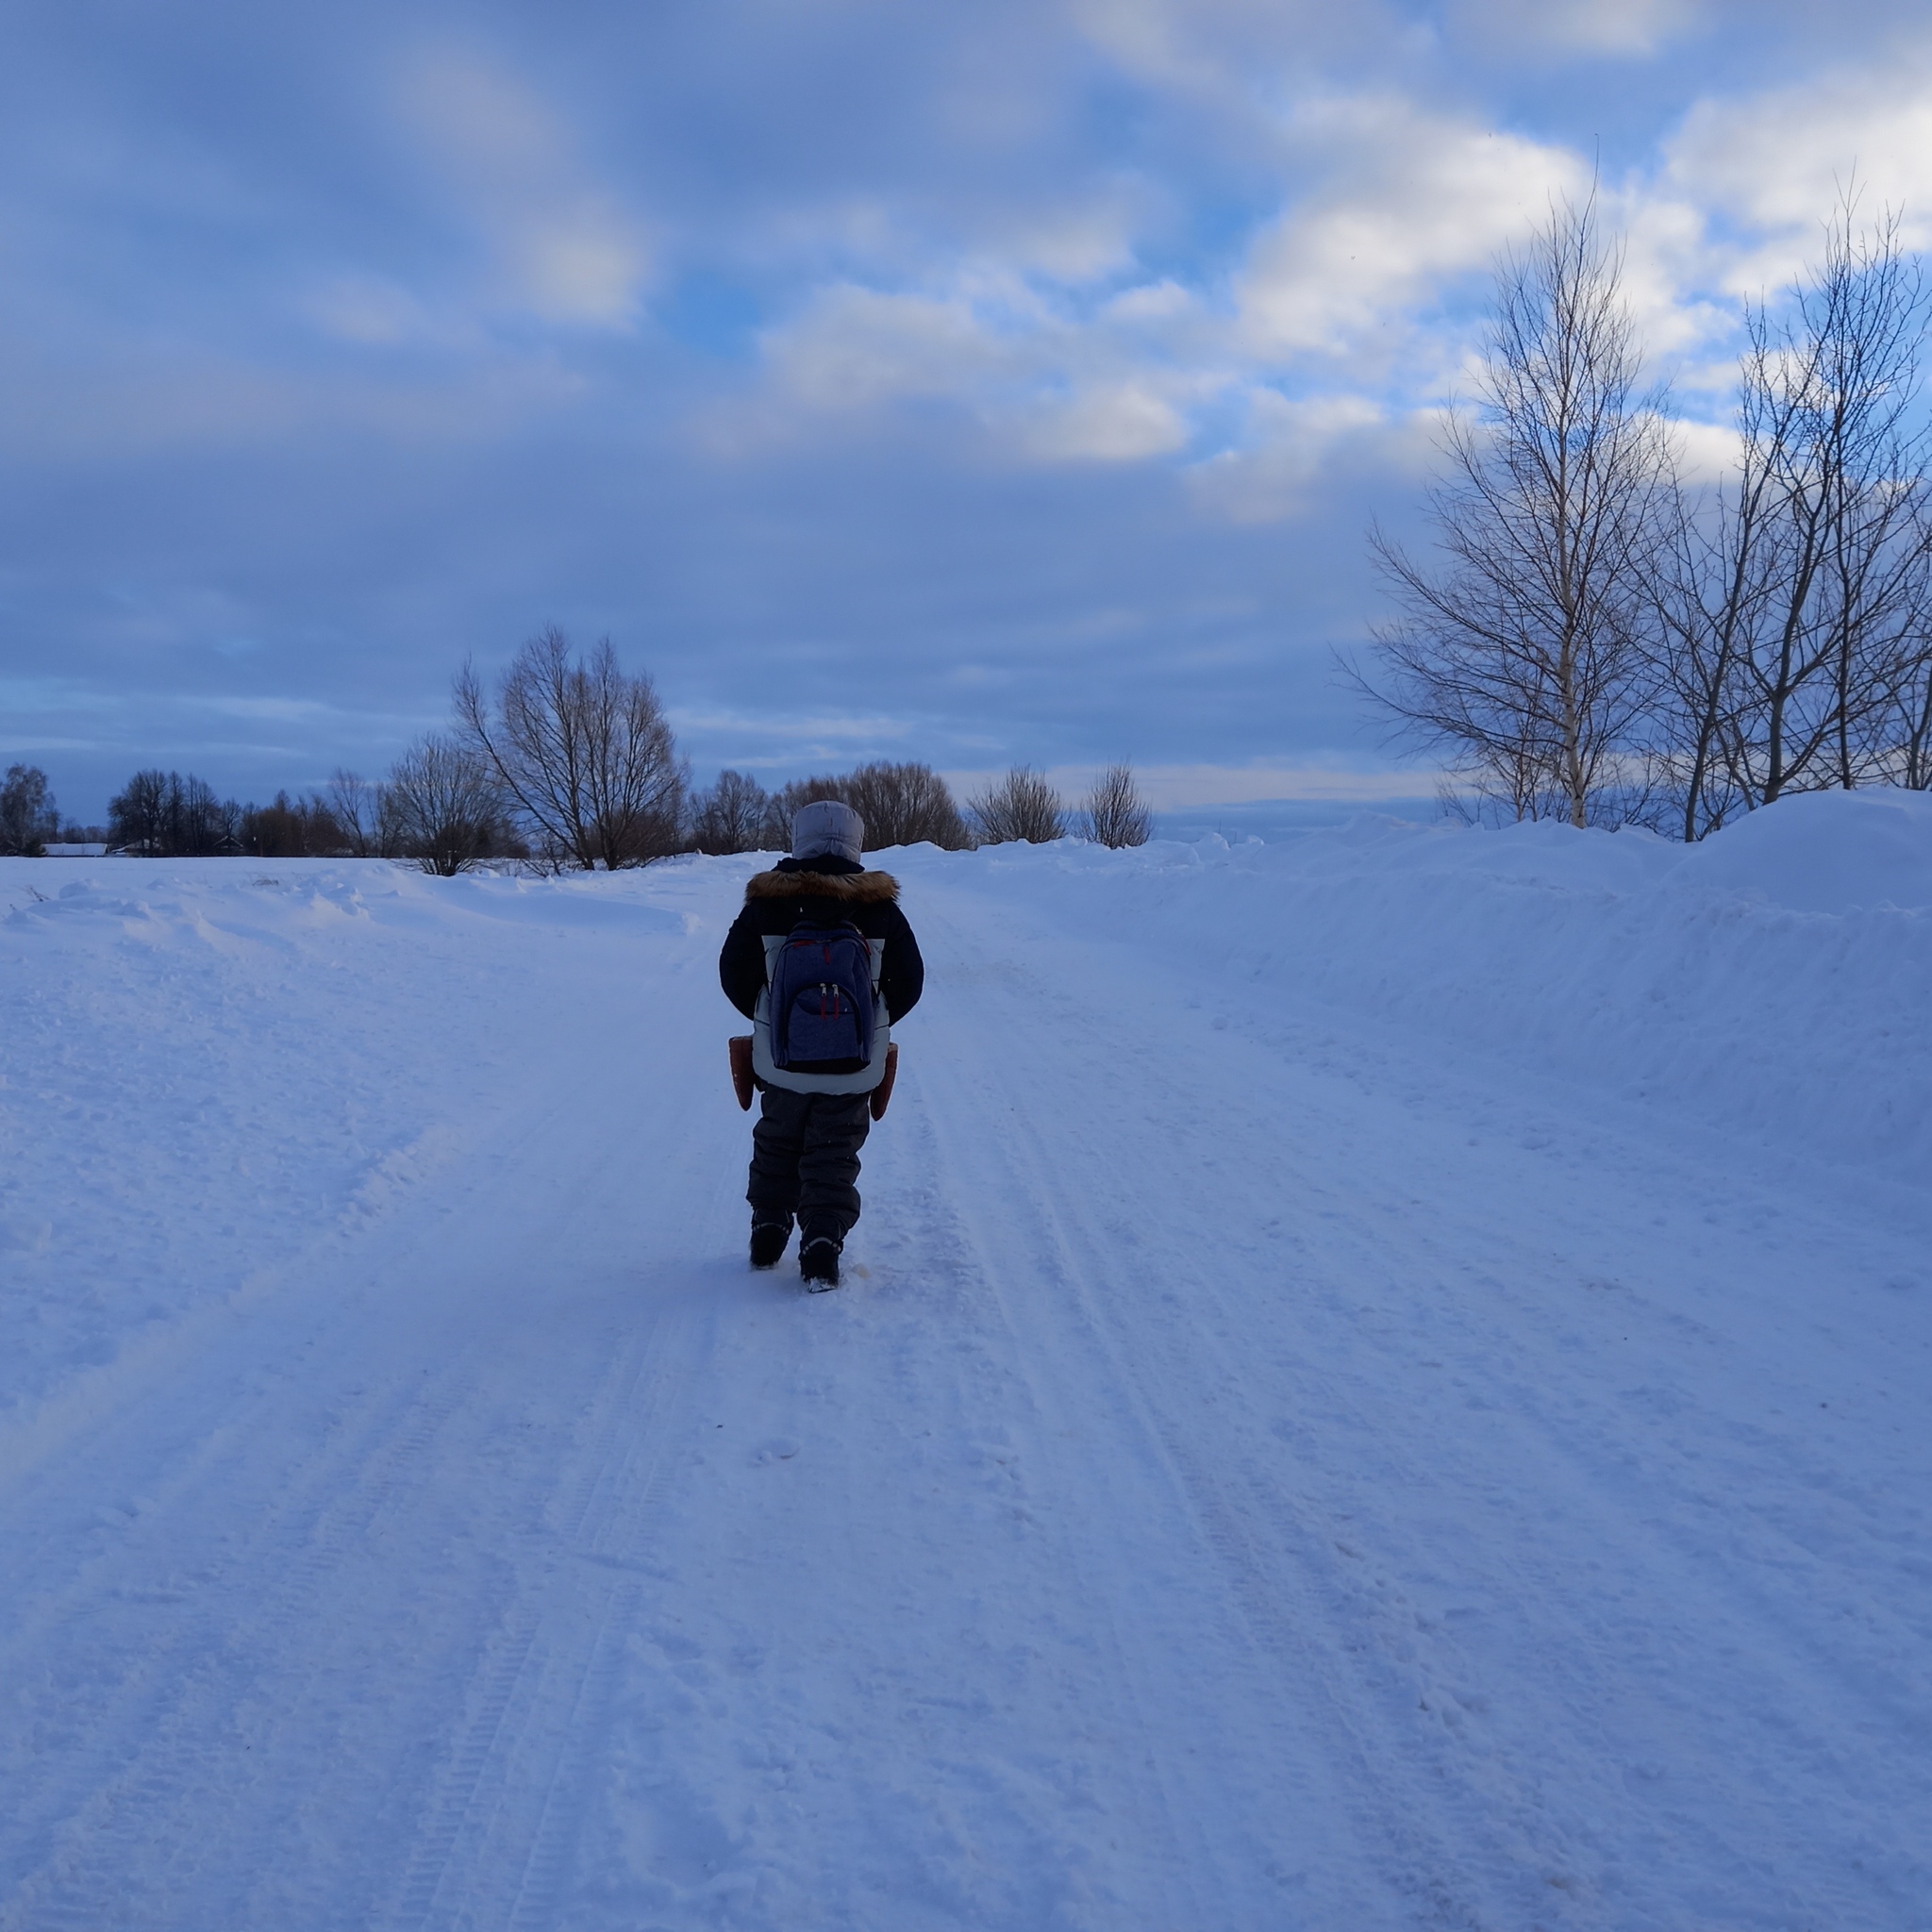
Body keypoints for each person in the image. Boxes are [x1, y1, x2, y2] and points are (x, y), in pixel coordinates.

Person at [718, 799, 924, 1288]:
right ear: (856, 845)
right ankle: (822, 1242)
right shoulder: (879, 910)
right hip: (853, 1064)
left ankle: (768, 1229)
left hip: (781, 1060)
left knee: (777, 1141)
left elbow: (733, 972)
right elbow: (909, 982)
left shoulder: (766, 904)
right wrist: (872, 1022)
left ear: (798, 840)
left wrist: (772, 1020)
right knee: (833, 1153)